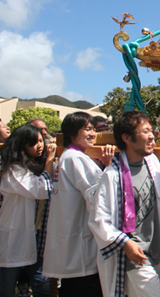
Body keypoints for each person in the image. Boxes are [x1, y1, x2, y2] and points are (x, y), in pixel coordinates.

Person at [88, 111, 160, 297]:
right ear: (127, 138)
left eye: (151, 131)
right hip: (135, 257)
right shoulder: (112, 175)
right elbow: (99, 219)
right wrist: (125, 243)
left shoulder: (152, 162)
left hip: (156, 252)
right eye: (146, 131)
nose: (152, 136)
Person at [42, 112, 114, 296]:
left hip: (70, 240)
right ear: (73, 133)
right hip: (80, 246)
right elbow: (96, 195)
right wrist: (108, 168)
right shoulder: (76, 158)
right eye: (87, 129)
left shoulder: (68, 156)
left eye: (93, 130)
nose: (92, 134)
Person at [0, 124, 56, 297]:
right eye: (33, 143)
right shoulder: (13, 170)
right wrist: (49, 162)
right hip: (13, 236)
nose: (39, 146)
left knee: (41, 284)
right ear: (21, 145)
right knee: (6, 286)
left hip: (35, 234)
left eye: (41, 141)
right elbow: (42, 189)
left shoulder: (31, 167)